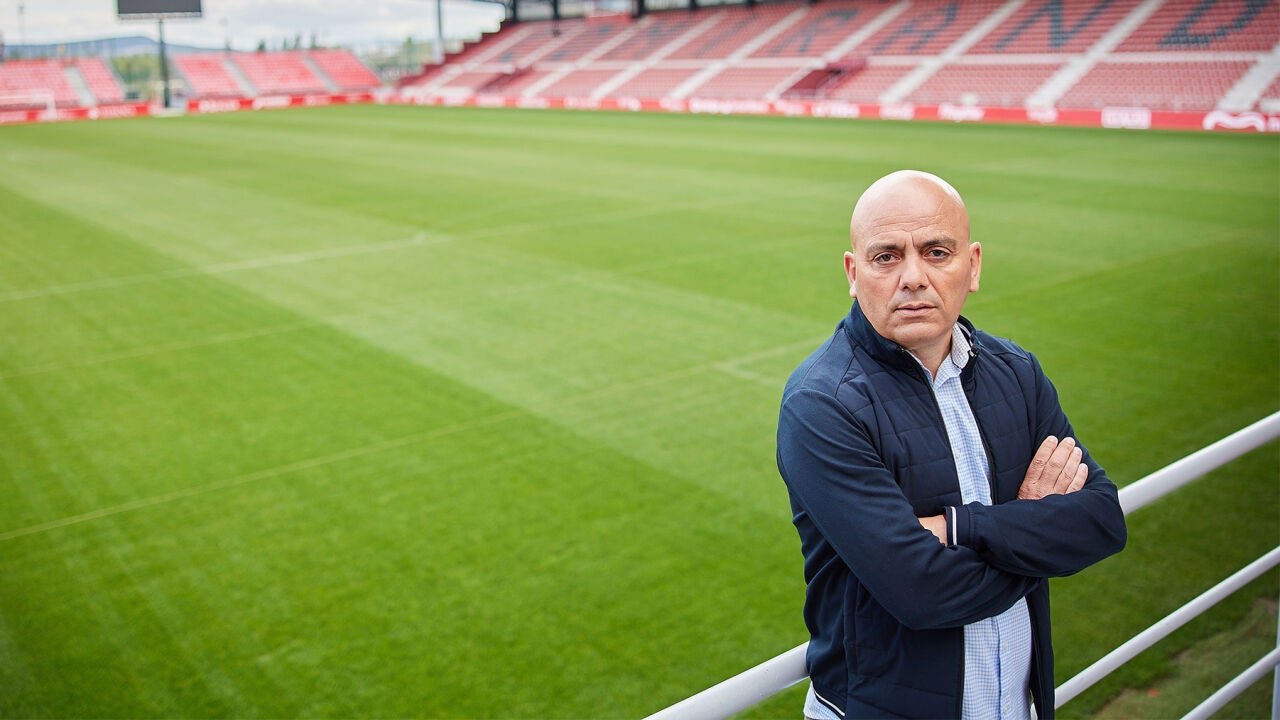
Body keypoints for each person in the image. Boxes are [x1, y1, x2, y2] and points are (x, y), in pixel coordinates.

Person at [776, 170, 1127, 719]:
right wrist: (1037, 531)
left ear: (974, 265)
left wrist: (961, 528)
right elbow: (921, 594)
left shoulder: (1018, 372)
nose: (913, 277)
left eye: (936, 252)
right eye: (886, 257)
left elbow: (1102, 521)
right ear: (853, 273)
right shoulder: (822, 405)